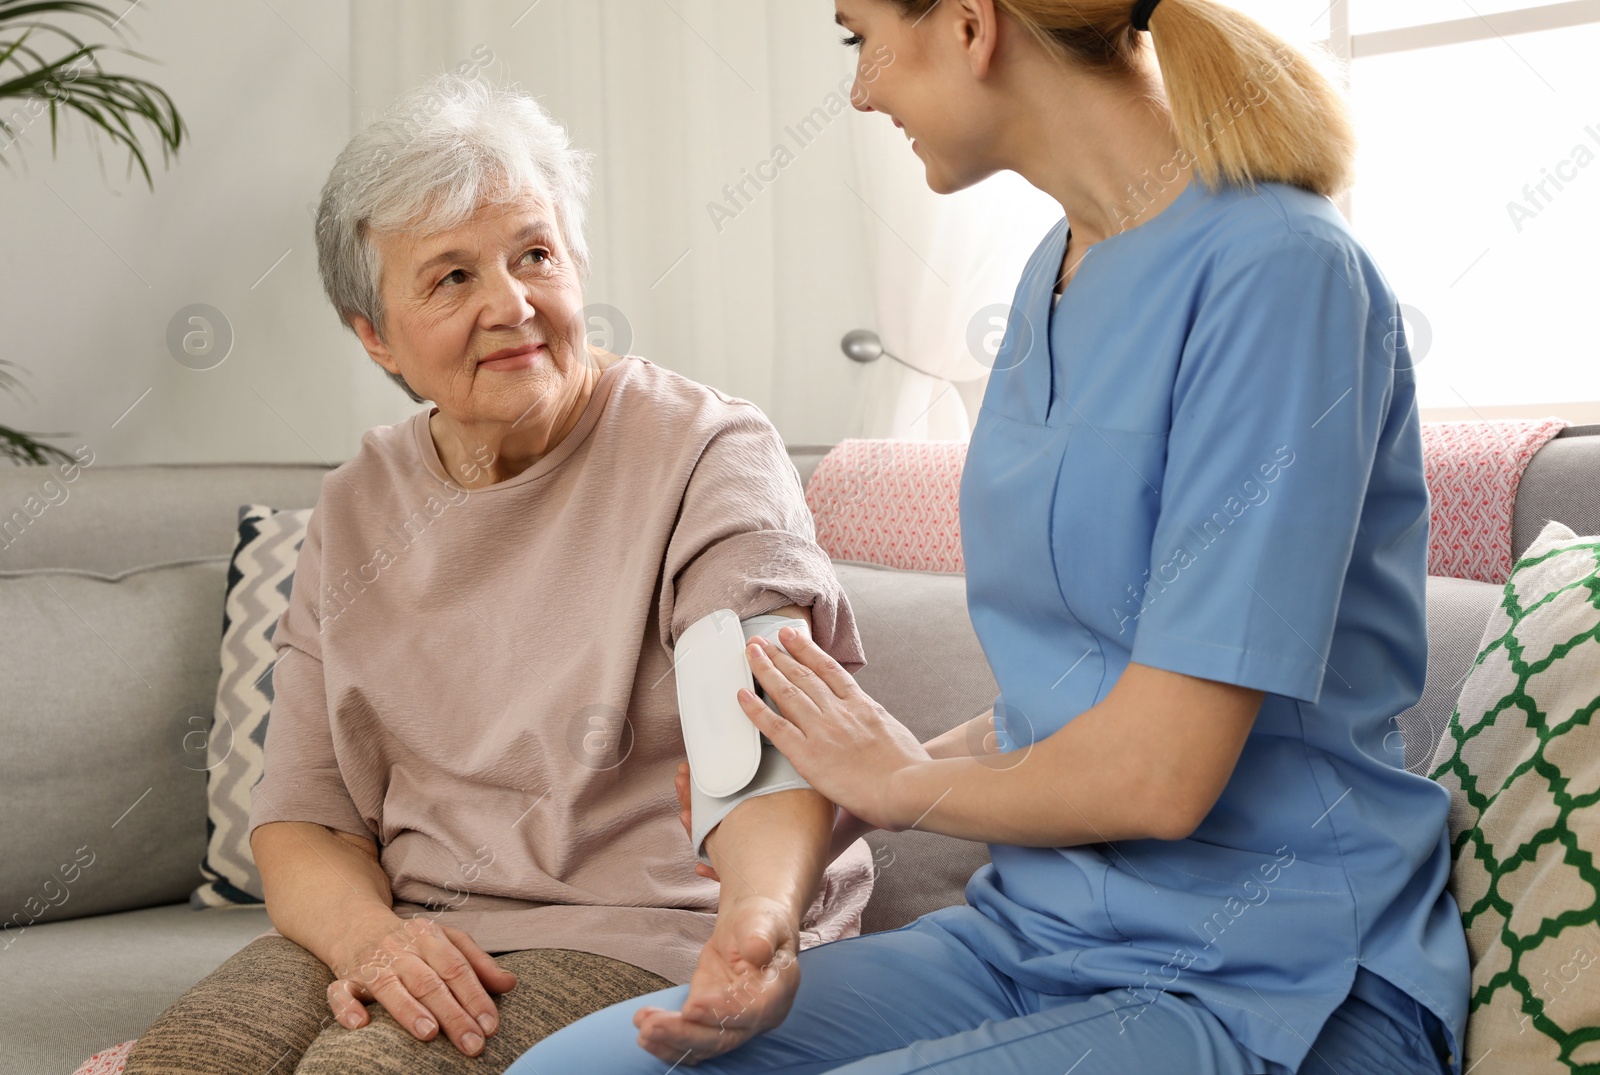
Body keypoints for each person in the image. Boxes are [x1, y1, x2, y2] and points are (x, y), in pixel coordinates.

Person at [509, 0, 1471, 1072]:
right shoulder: (1053, 268)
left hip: (1273, 977)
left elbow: (1161, 771)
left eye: (858, 36)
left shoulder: (1281, 273)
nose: (862, 89)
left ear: (970, 25)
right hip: (1038, 937)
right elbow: (1072, 693)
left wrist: (900, 787)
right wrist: (850, 782)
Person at [121, 72, 874, 1075]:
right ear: (374, 336)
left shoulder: (705, 453)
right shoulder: (358, 504)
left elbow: (763, 736)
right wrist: (374, 941)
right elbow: (305, 819)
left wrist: (762, 916)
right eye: (451, 277)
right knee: (188, 1061)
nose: (512, 304)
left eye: (534, 255)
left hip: (656, 925)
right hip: (422, 917)